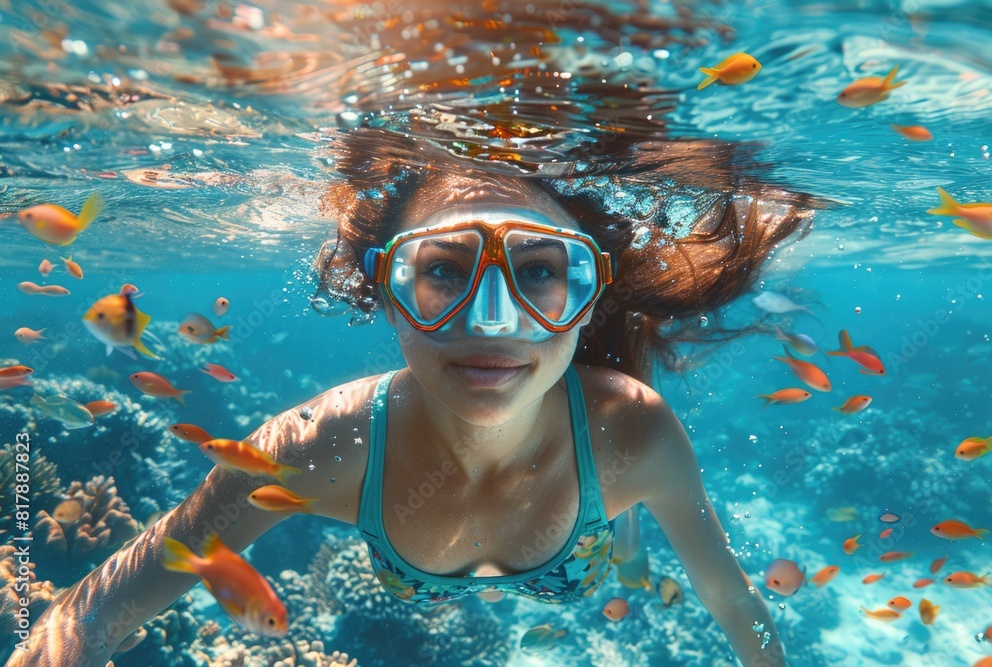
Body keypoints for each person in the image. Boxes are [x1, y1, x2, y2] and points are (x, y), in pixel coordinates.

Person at [5, 125, 812, 665]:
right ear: (389, 293)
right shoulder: (312, 447)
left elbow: (729, 597)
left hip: (599, 491)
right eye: (444, 271)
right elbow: (108, 602)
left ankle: (623, 517)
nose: (493, 323)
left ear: (589, 297)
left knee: (618, 524)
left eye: (537, 271)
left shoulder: (633, 428)